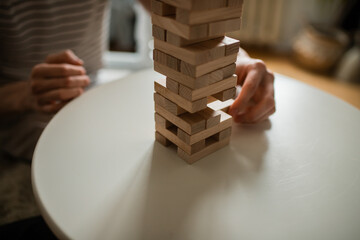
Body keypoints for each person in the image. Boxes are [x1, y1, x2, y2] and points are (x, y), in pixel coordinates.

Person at [0, 0, 275, 160]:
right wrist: (23, 94)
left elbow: (186, 14)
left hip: (95, 101)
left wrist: (232, 60)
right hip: (22, 125)